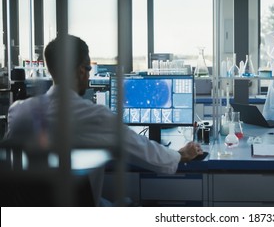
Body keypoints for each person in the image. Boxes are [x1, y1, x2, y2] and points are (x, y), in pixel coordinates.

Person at [4, 34, 204, 205]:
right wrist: (180, 155)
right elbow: (144, 150)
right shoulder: (95, 116)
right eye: (89, 69)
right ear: (82, 70)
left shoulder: (18, 112)